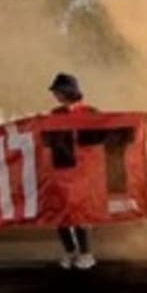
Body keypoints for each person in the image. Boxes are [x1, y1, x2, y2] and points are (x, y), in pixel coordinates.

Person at [48, 72, 98, 270]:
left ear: (67, 91)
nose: (55, 95)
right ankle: (70, 250)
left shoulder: (91, 113)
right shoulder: (55, 115)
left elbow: (103, 137)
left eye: (57, 91)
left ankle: (86, 253)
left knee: (80, 213)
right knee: (60, 214)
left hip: (83, 171)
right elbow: (46, 140)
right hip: (61, 169)